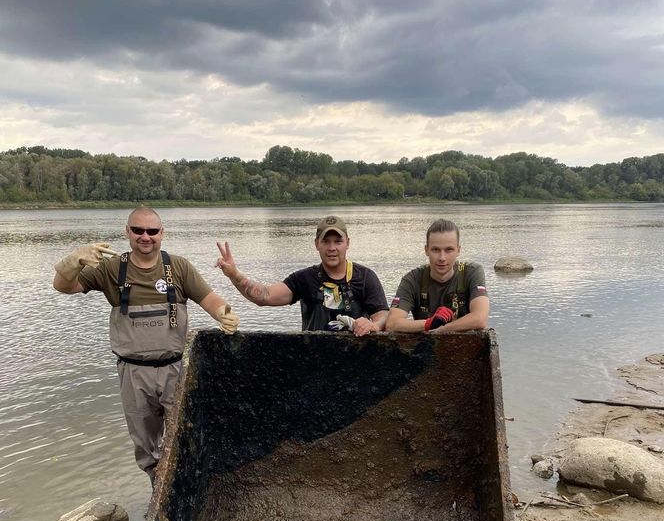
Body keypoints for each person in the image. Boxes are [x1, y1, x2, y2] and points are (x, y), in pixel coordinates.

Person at [52, 206, 239, 484]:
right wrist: (73, 261)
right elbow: (63, 286)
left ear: (162, 234)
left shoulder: (179, 267)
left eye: (152, 231)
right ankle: (157, 487)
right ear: (127, 232)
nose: (145, 236)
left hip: (175, 369)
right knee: (145, 443)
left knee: (186, 433)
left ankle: (188, 484)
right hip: (133, 373)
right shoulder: (111, 269)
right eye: (138, 230)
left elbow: (209, 299)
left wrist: (225, 314)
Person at [215, 215, 389, 335]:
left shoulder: (366, 277)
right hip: (313, 359)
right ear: (316, 244)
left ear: (347, 243)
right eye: (326, 241)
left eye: (338, 241)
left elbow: (383, 315)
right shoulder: (304, 279)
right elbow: (265, 296)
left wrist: (372, 325)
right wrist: (234, 274)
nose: (332, 248)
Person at [386, 218, 489, 334]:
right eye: (435, 250)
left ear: (458, 250)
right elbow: (392, 324)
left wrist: (442, 329)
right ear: (426, 250)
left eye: (449, 250)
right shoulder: (412, 279)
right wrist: (429, 323)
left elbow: (480, 318)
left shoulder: (471, 272)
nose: (442, 258)